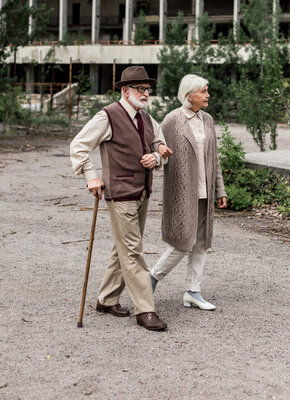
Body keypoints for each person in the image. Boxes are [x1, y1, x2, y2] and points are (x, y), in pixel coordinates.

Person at [70, 66, 173, 331]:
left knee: (124, 247)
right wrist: (91, 176)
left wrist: (158, 156)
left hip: (142, 192)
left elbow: (160, 146)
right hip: (120, 195)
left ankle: (106, 299)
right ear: (125, 91)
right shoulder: (108, 116)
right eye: (141, 89)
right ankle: (145, 310)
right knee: (133, 251)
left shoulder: (148, 119)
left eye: (148, 89)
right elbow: (79, 145)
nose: (146, 93)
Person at [150, 74, 227, 310]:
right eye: (203, 91)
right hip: (183, 192)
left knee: (201, 242)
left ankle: (193, 291)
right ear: (189, 95)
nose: (207, 95)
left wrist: (219, 189)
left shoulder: (208, 120)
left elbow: (214, 158)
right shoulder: (173, 120)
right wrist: (157, 154)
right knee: (183, 242)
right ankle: (150, 279)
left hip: (205, 191)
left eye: (207, 91)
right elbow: (154, 144)